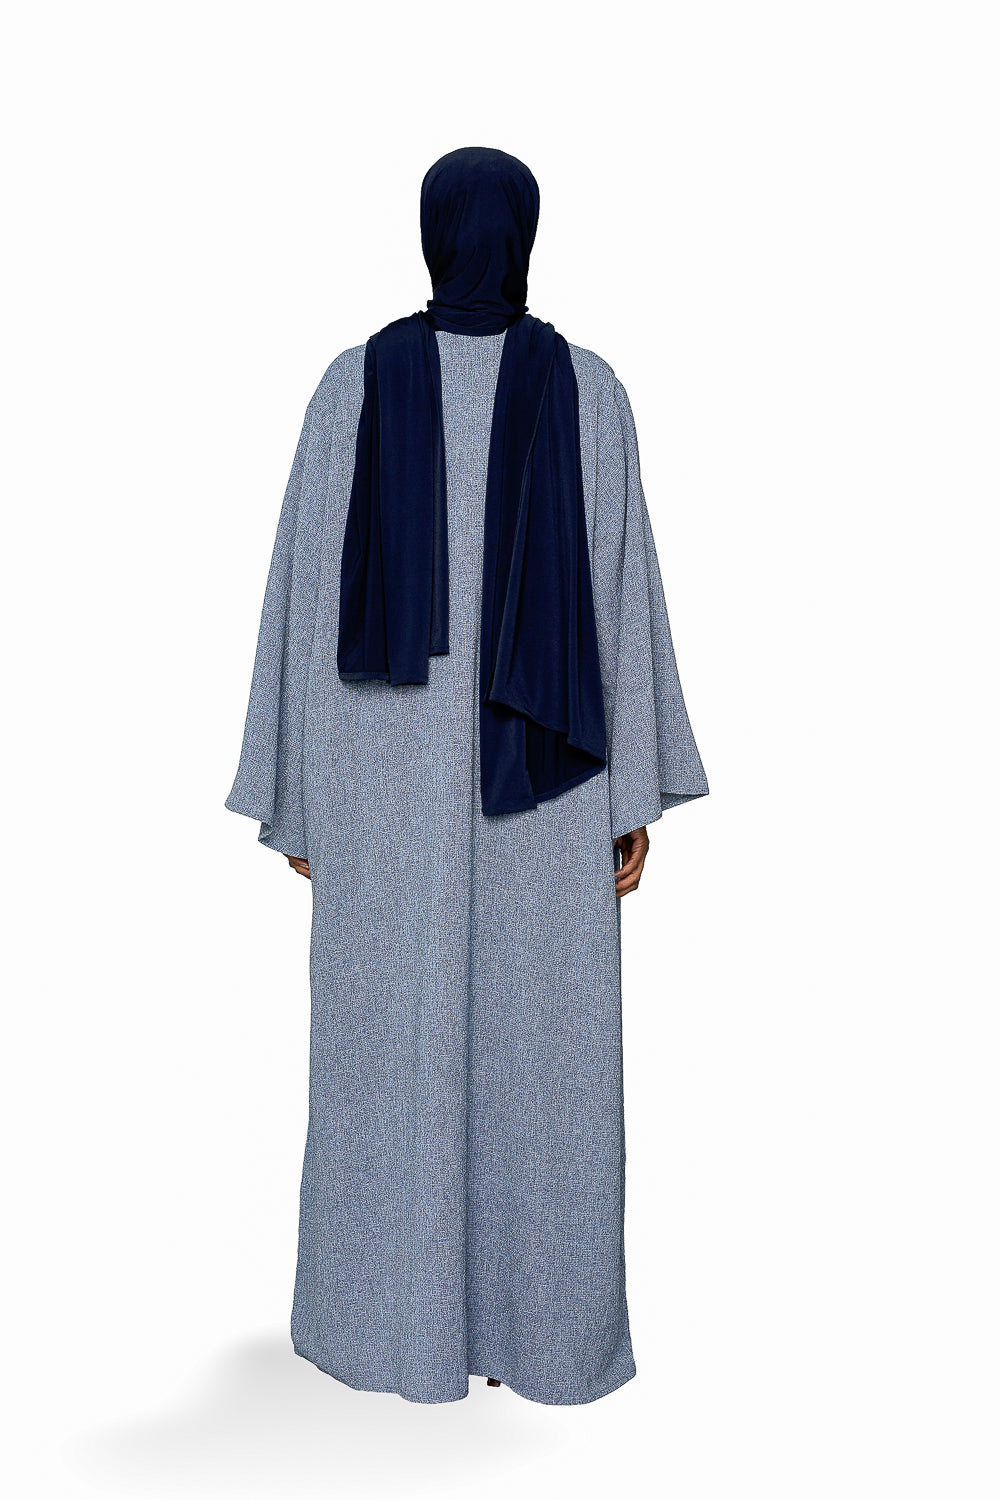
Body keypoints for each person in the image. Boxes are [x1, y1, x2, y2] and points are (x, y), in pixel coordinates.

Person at [226, 145, 709, 1406]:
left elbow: (297, 594)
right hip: (546, 786)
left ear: (431, 233)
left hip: (378, 783)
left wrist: (300, 790)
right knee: (545, 1067)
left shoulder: (352, 384)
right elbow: (621, 592)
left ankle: (386, 1332)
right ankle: (538, 1338)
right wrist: (628, 794)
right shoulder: (588, 390)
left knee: (388, 1054)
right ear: (525, 236)